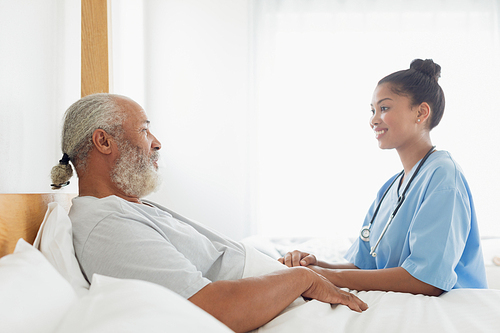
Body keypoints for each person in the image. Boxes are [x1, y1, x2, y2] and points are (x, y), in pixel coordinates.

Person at [50, 93, 367, 333]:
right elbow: (209, 309)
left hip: (287, 295)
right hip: (286, 310)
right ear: (104, 141)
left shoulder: (122, 206)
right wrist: (299, 279)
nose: (157, 143)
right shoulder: (106, 225)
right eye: (145, 131)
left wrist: (295, 276)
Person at [279, 59, 487, 296]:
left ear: (421, 112)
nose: (373, 119)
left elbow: (427, 280)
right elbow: (363, 267)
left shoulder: (444, 176)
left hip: (454, 309)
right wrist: (312, 265)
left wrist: (325, 276)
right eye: (372, 110)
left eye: (384, 108)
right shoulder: (389, 188)